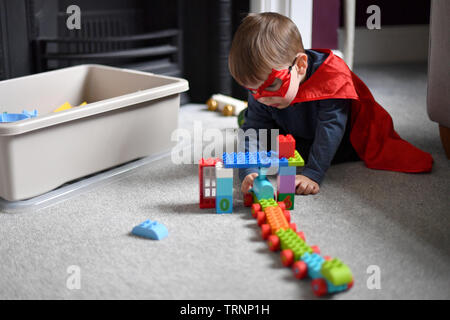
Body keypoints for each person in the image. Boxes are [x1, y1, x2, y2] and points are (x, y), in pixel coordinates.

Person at [228, 12, 433, 196]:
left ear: (300, 66)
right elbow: (254, 129)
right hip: (294, 128)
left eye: (272, 85)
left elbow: (331, 128)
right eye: (252, 89)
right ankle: (251, 115)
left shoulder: (331, 76)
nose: (262, 96)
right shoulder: (264, 93)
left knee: (298, 145)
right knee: (253, 125)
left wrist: (312, 174)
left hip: (340, 140)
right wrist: (249, 170)